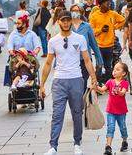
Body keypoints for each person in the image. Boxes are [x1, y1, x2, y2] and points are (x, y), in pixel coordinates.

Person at [41, 10, 99, 155]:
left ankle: (77, 143)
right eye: (63, 20)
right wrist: (42, 84)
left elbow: (86, 59)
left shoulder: (79, 38)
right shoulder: (53, 41)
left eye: (68, 20)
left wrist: (93, 77)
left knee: (77, 113)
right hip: (59, 81)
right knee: (57, 114)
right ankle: (53, 146)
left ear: (71, 21)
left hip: (76, 80)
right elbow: (48, 63)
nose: (66, 23)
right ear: (58, 22)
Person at [90, 0, 126, 84]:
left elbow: (123, 20)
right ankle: (97, 84)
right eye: (107, 4)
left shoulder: (112, 13)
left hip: (110, 45)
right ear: (101, 4)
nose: (109, 5)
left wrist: (114, 27)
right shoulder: (94, 16)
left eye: (109, 3)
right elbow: (91, 31)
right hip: (98, 46)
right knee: (99, 66)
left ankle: (107, 84)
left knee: (108, 66)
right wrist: (101, 30)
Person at [69, 3, 104, 90]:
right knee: (74, 83)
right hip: (71, 60)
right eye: (73, 11)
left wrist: (99, 60)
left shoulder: (87, 26)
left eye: (77, 11)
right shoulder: (67, 26)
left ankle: (81, 101)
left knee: (83, 82)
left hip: (85, 60)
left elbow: (94, 44)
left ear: (81, 12)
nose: (74, 13)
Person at [98, 61, 130, 155]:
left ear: (123, 73)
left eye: (117, 69)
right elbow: (102, 90)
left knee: (123, 127)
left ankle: (124, 140)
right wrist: (95, 87)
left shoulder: (124, 83)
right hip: (111, 110)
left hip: (121, 111)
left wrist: (119, 92)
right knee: (110, 127)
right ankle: (108, 147)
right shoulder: (110, 82)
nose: (114, 71)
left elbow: (123, 92)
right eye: (114, 69)